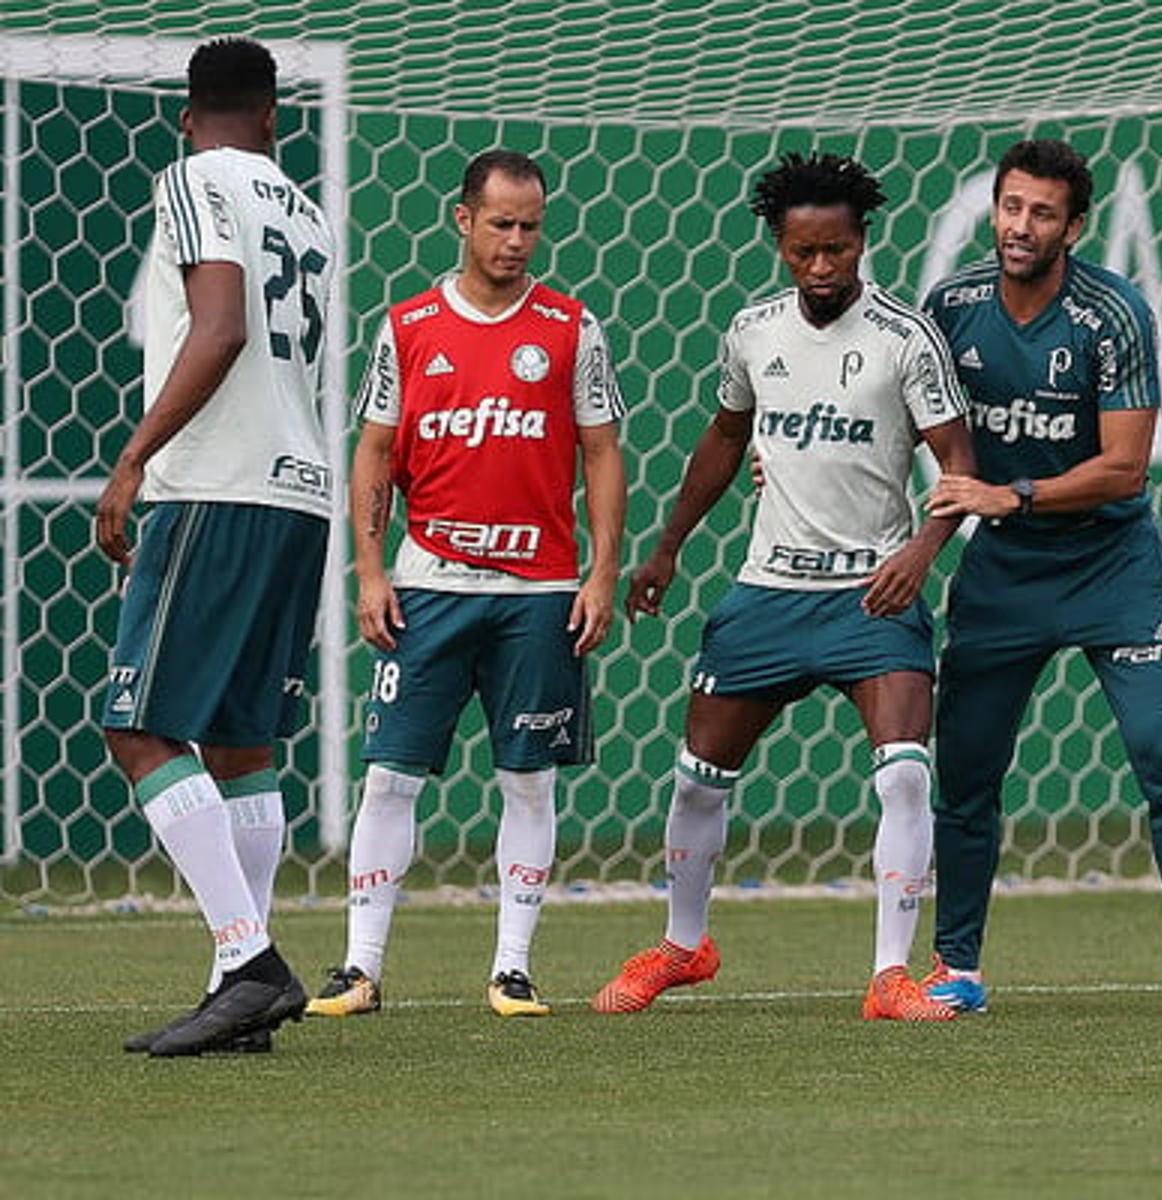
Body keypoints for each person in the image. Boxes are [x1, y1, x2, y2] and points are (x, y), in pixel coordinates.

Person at [590, 151, 975, 1022]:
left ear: (862, 241)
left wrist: (921, 549)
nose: (822, 268)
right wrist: (667, 549)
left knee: (905, 776)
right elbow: (725, 439)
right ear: (779, 245)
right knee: (697, 782)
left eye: (837, 250)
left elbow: (960, 465)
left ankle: (889, 976)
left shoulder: (905, 340)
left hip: (870, 595)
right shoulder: (753, 331)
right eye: (804, 252)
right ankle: (684, 947)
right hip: (767, 592)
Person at [919, 138, 1162, 1020]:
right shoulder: (949, 309)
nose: (1021, 227)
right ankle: (955, 965)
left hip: (1113, 567)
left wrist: (1012, 493)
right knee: (968, 773)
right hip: (1004, 576)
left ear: (1076, 225)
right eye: (1011, 207)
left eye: (1042, 213)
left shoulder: (1113, 313)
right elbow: (896, 419)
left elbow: (1125, 469)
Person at [304, 149, 627, 1019]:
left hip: (539, 591)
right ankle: (359, 968)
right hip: (430, 585)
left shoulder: (570, 327)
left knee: (529, 778)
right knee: (389, 776)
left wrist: (600, 573)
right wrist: (370, 571)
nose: (517, 241)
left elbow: (601, 450)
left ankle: (513, 969)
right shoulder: (409, 326)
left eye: (530, 226)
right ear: (462, 219)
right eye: (501, 224)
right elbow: (373, 449)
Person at [100, 38, 335, 1057]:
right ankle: (234, 995)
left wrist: (132, 459)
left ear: (188, 116)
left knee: (137, 728)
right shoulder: (309, 211)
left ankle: (247, 958)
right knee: (240, 747)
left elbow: (221, 323)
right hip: (302, 493)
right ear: (275, 117)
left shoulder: (193, 176)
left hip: (220, 487)